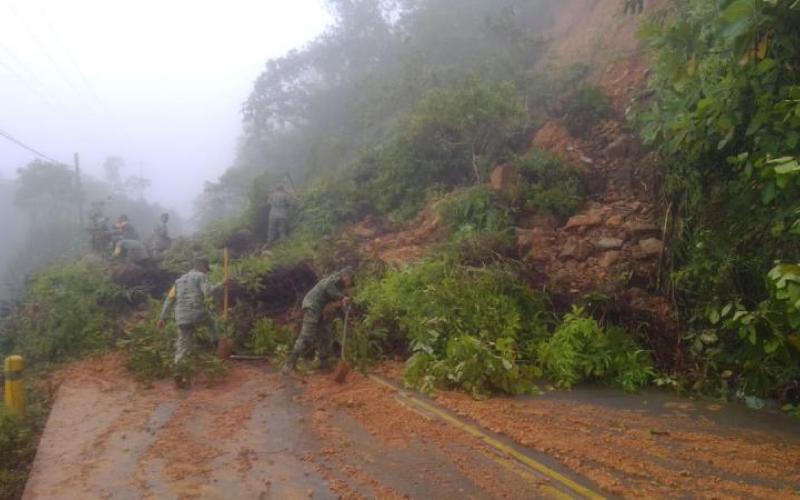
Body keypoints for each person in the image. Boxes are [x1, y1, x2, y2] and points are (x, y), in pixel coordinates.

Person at [158, 257, 226, 387]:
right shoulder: (200, 276)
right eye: (207, 269)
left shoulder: (178, 281)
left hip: (181, 316)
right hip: (197, 312)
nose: (207, 272)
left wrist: (163, 318)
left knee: (182, 344)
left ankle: (178, 370)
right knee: (211, 322)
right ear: (202, 267)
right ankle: (216, 346)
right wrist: (222, 284)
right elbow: (208, 292)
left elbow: (169, 300)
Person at [282, 267, 354, 374]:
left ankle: (323, 363)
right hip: (312, 306)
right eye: (350, 282)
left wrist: (346, 319)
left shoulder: (338, 288)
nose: (349, 286)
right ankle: (289, 364)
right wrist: (342, 297)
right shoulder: (333, 280)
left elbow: (338, 307)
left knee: (325, 335)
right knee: (307, 335)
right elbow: (328, 289)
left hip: (320, 310)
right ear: (346, 277)